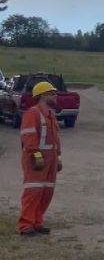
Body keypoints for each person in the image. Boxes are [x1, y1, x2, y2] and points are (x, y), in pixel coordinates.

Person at [18, 81, 62, 236]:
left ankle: (37, 221)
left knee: (46, 192)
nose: (55, 96)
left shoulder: (50, 115)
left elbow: (55, 139)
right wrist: (36, 155)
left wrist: (58, 157)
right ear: (42, 95)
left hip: (51, 159)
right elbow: (28, 136)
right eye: (52, 93)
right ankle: (26, 225)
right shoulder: (33, 113)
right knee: (33, 191)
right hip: (36, 159)